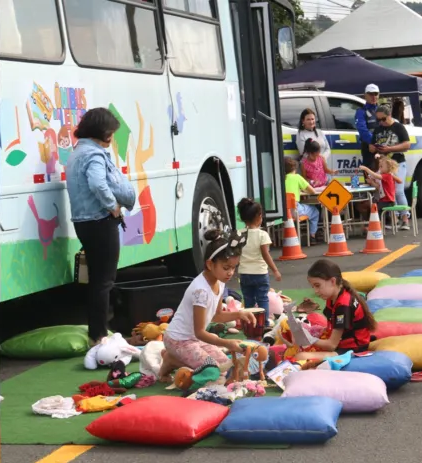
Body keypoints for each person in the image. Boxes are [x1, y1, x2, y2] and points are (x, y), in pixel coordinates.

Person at [66, 108, 137, 345]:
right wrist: (113, 206)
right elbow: (97, 183)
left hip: (83, 222)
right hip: (100, 222)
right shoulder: (94, 155)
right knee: (104, 281)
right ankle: (99, 336)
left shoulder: (78, 152)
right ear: (103, 132)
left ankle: (97, 332)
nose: (112, 137)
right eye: (111, 133)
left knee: (97, 280)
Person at [158, 230, 258, 382]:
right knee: (214, 372)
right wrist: (227, 343)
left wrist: (239, 313)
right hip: (178, 340)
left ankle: (174, 359)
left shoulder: (220, 282)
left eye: (234, 268)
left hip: (195, 339)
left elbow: (217, 316)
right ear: (210, 264)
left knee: (227, 366)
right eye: (226, 268)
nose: (231, 272)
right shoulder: (201, 291)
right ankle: (172, 360)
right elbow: (199, 332)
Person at [300, 259, 378, 360]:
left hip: (353, 349)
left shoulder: (343, 305)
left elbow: (331, 345)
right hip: (343, 343)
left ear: (333, 281)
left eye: (318, 285)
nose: (315, 291)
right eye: (313, 287)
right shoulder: (334, 296)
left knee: (301, 356)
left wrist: (310, 339)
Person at [237, 198, 281, 327]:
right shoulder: (262, 235)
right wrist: (275, 270)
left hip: (244, 273)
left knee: (248, 300)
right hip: (260, 273)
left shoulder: (239, 234)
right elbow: (265, 254)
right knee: (262, 299)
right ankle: (264, 323)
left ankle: (250, 323)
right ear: (259, 216)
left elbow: (236, 254)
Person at [372, 104, 412, 229]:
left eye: (383, 119)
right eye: (378, 120)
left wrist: (390, 148)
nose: (381, 122)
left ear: (389, 116)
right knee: (387, 192)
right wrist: (376, 149)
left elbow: (407, 145)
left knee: (399, 191)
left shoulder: (398, 127)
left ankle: (405, 219)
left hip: (397, 163)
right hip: (383, 164)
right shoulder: (378, 130)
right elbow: (371, 146)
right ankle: (393, 219)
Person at [284, 157, 320, 242]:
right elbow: (312, 191)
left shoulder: (280, 179)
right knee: (315, 211)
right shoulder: (297, 177)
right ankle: (312, 235)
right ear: (295, 168)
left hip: (283, 212)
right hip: (294, 211)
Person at [359, 156, 404, 224]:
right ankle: (378, 226)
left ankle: (377, 226)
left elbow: (375, 175)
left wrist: (366, 169)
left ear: (388, 168)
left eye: (381, 167)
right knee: (376, 209)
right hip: (387, 200)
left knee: (375, 209)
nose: (379, 169)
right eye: (379, 166)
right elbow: (378, 186)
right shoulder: (388, 175)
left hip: (388, 201)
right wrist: (372, 182)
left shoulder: (387, 175)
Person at [355, 83, 381, 168]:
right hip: (369, 147)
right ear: (365, 95)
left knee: (384, 178)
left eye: (375, 94)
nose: (373, 97)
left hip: (384, 147)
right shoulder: (361, 111)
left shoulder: (383, 110)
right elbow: (362, 130)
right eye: (370, 94)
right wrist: (373, 142)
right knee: (370, 179)